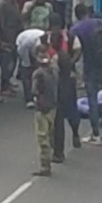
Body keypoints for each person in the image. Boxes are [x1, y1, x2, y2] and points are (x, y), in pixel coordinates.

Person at [70, 4, 102, 145]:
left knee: (92, 100)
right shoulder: (99, 23)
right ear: (87, 12)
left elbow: (75, 48)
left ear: (77, 15)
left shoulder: (76, 29)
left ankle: (96, 134)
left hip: (90, 67)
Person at [50, 26, 81, 163]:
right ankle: (75, 134)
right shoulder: (65, 55)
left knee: (58, 122)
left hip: (59, 90)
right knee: (72, 113)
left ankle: (58, 152)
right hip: (68, 87)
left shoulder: (57, 57)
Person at [31, 46, 58, 177]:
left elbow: (34, 91)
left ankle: (45, 165)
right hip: (52, 107)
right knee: (50, 133)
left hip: (42, 109)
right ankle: (52, 154)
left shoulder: (38, 74)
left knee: (42, 137)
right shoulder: (54, 71)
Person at [0, 0, 23, 96]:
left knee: (13, 61)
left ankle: (8, 82)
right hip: (8, 36)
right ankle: (4, 86)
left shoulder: (14, 2)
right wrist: (5, 40)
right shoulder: (3, 5)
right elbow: (2, 23)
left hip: (16, 35)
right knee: (6, 63)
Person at [16, 28, 46, 109]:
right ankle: (29, 99)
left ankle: (38, 94)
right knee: (26, 71)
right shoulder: (28, 43)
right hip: (22, 44)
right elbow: (33, 55)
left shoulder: (46, 38)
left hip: (32, 45)